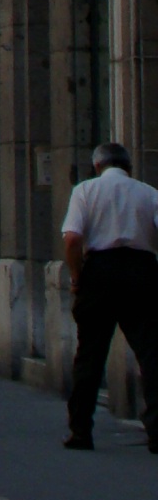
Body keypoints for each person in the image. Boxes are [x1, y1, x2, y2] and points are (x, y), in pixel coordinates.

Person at [61, 142, 158, 452]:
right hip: (141, 270)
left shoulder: (85, 191)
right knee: (151, 354)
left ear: (97, 166)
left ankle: (80, 430)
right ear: (128, 167)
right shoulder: (148, 192)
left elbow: (73, 238)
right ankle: (157, 430)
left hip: (100, 270)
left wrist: (77, 276)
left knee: (89, 353)